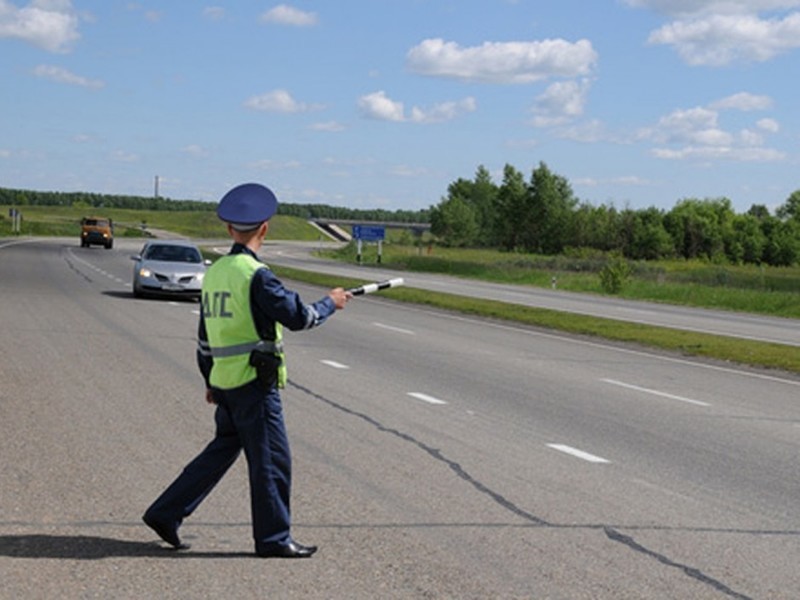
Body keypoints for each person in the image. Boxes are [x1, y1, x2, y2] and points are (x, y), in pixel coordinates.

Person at [143, 182, 351, 558]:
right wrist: (330, 303)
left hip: (225, 381)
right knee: (272, 459)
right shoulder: (257, 275)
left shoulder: (217, 272)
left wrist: (209, 379)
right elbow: (299, 317)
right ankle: (273, 539)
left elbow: (205, 335)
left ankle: (165, 512)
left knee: (221, 452)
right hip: (254, 383)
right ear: (265, 229)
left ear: (229, 230)